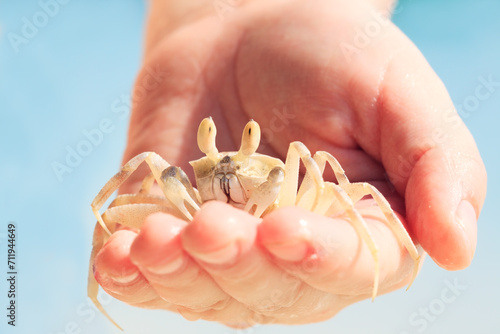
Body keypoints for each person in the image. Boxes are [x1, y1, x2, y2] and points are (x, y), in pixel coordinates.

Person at [92, 0, 487, 328]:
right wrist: (105, 218)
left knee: (348, 192)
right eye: (216, 168)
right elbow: (142, 178)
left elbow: (343, 181)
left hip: (286, 209)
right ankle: (97, 295)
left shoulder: (293, 174)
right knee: (133, 203)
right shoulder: (186, 178)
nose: (227, 179)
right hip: (194, 215)